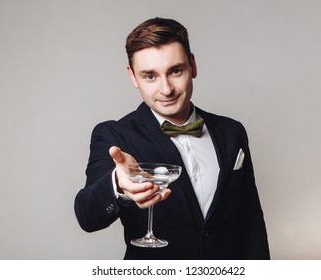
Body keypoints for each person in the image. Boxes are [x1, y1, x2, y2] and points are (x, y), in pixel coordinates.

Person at [74, 17, 270, 260]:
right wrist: (117, 184)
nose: (166, 89)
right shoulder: (114, 135)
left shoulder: (232, 132)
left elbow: (250, 223)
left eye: (175, 71)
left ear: (193, 66)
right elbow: (86, 216)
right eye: (150, 76)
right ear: (133, 77)